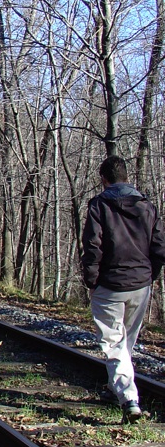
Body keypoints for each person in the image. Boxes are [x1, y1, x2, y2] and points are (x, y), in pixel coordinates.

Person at [82, 155, 165, 423]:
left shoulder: (99, 205)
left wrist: (91, 280)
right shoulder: (147, 206)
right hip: (140, 285)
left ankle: (129, 399)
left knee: (114, 344)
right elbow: (160, 247)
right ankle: (112, 388)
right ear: (126, 177)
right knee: (125, 342)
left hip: (110, 285)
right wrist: (150, 275)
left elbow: (92, 246)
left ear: (104, 179)